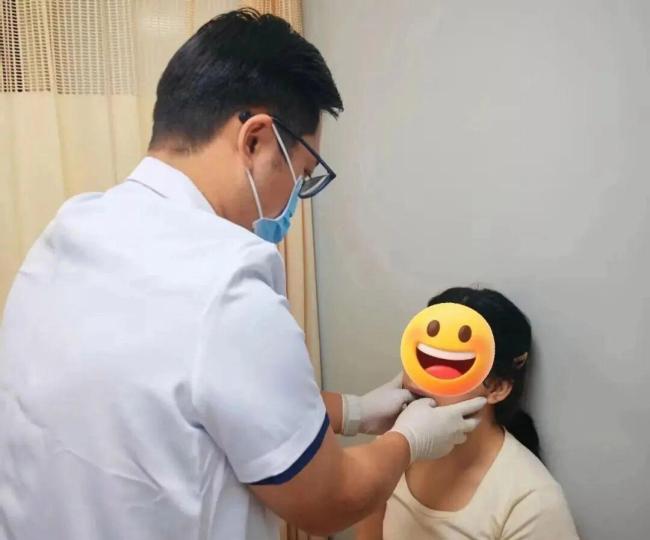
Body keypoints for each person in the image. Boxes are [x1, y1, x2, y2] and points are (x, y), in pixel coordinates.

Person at [0, 10, 487, 540]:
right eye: (302, 176)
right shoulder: (227, 285)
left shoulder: (71, 229)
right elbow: (328, 503)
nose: (293, 201)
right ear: (255, 141)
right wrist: (409, 441)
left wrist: (354, 412)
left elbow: (187, 395)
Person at [356, 287, 580, 540]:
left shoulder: (532, 503)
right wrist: (353, 413)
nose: (416, 382)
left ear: (497, 387)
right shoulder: (394, 446)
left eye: (450, 367)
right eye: (420, 360)